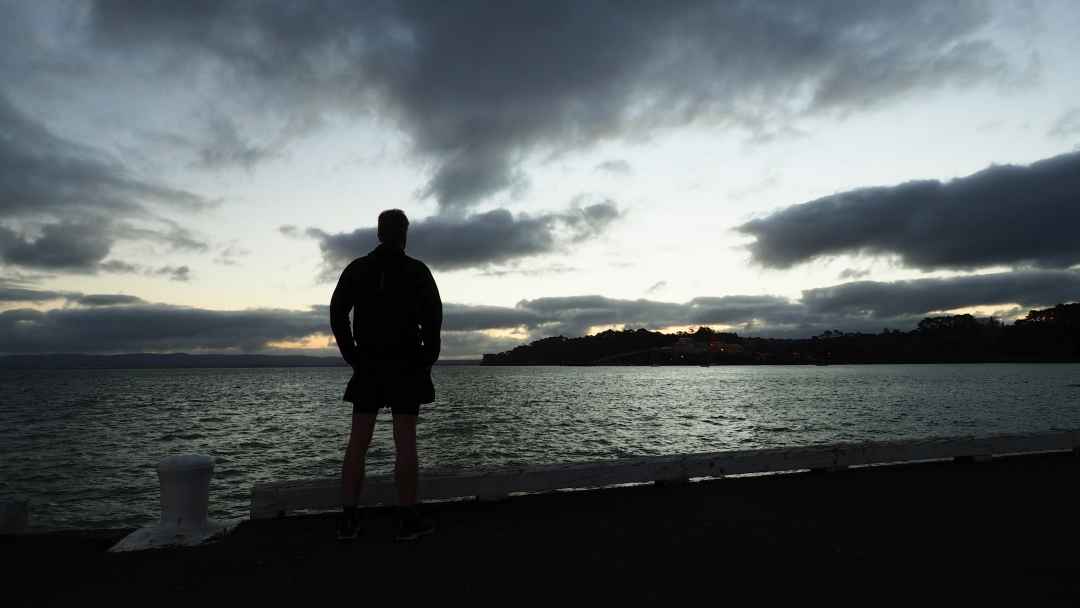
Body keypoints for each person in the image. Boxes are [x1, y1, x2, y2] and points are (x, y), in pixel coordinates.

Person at [329, 208, 442, 541]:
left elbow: (337, 314)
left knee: (358, 442)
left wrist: (352, 354)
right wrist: (425, 360)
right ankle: (407, 517)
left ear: (379, 233)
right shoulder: (417, 271)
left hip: (369, 364)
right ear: (404, 233)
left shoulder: (358, 269)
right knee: (406, 442)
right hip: (406, 364)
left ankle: (348, 519)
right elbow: (434, 321)